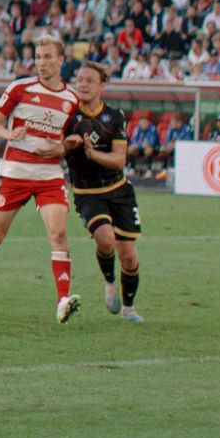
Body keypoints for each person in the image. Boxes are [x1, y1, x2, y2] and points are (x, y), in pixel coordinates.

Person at [0, 35, 83, 324]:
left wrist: (58, 148)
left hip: (49, 175)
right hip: (15, 173)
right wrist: (10, 134)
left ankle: (62, 300)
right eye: (38, 57)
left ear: (61, 60)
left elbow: (72, 141)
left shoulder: (72, 99)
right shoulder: (20, 88)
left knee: (58, 233)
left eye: (48, 57)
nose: (42, 63)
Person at [62, 61, 143, 321]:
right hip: (87, 193)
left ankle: (129, 308)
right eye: (80, 80)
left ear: (101, 85)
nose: (83, 84)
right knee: (106, 239)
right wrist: (65, 145)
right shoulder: (68, 117)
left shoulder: (114, 116)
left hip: (119, 190)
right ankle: (109, 282)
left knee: (129, 256)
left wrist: (91, 153)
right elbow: (54, 148)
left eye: (89, 80)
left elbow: (119, 160)